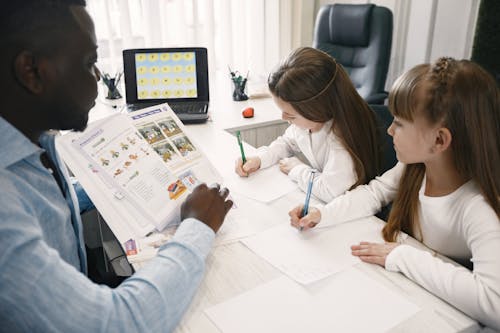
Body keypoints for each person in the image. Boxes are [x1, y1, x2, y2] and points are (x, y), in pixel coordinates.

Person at [0, 1, 233, 332]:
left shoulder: (35, 143)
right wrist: (198, 227)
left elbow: (45, 203)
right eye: (89, 62)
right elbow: (115, 324)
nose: (98, 77)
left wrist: (107, 185)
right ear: (32, 71)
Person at [289, 58, 500, 329]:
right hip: (406, 294)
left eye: (399, 123)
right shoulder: (414, 168)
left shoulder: (478, 207)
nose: (389, 130)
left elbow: (493, 304)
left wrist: (402, 256)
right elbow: (373, 194)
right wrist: (322, 215)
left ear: (439, 140)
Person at [235, 47, 381, 203]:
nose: (284, 117)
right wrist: (259, 159)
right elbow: (287, 143)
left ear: (318, 108)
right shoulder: (308, 123)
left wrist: (297, 169)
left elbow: (329, 191)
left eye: (290, 115)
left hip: (350, 210)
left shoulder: (343, 136)